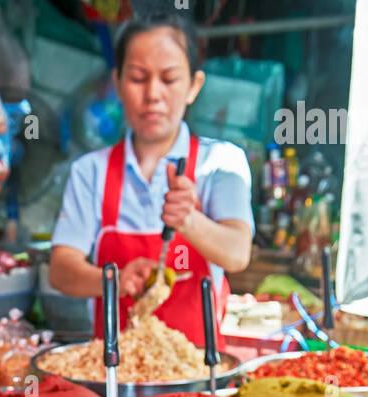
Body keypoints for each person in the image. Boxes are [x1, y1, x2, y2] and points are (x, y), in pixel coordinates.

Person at [48, 12, 253, 344]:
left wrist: (190, 219)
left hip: (197, 376)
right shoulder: (91, 171)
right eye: (138, 77)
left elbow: (237, 254)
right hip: (114, 376)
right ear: (117, 83)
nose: (153, 94)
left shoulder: (221, 164)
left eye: (169, 79)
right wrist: (113, 280)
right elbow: (61, 271)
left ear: (193, 86)